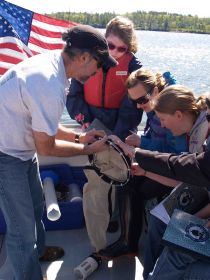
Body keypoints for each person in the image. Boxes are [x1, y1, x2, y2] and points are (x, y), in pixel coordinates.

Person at [0, 25, 118, 280]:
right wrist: (88, 149)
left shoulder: (56, 66)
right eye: (98, 65)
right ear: (84, 57)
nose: (98, 71)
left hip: (20, 149)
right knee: (22, 232)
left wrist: (80, 136)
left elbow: (47, 125)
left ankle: (39, 251)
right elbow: (47, 147)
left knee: (35, 206)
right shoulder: (48, 82)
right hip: (5, 156)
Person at [66, 16, 143, 254]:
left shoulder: (134, 67)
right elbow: (74, 98)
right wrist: (89, 125)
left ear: (129, 48)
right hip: (93, 126)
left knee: (121, 182)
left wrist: (116, 138)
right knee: (96, 185)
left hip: (121, 129)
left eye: (123, 48)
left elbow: (132, 107)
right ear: (103, 42)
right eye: (110, 46)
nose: (116, 52)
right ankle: (98, 244)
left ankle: (118, 225)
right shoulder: (88, 60)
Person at [116, 91, 210, 280]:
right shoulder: (192, 133)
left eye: (163, 119)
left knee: (175, 255)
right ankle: (149, 274)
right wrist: (146, 172)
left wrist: (136, 152)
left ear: (178, 115)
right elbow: (187, 176)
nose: (162, 124)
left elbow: (188, 169)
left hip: (203, 194)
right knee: (159, 221)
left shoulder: (201, 137)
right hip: (201, 189)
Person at [98, 70, 188, 259]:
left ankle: (128, 242)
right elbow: (155, 135)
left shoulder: (170, 108)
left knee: (132, 187)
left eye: (142, 100)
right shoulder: (154, 104)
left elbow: (177, 154)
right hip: (158, 161)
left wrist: (142, 144)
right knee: (125, 178)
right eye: (134, 102)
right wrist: (140, 140)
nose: (139, 106)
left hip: (173, 170)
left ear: (155, 90)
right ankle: (127, 239)